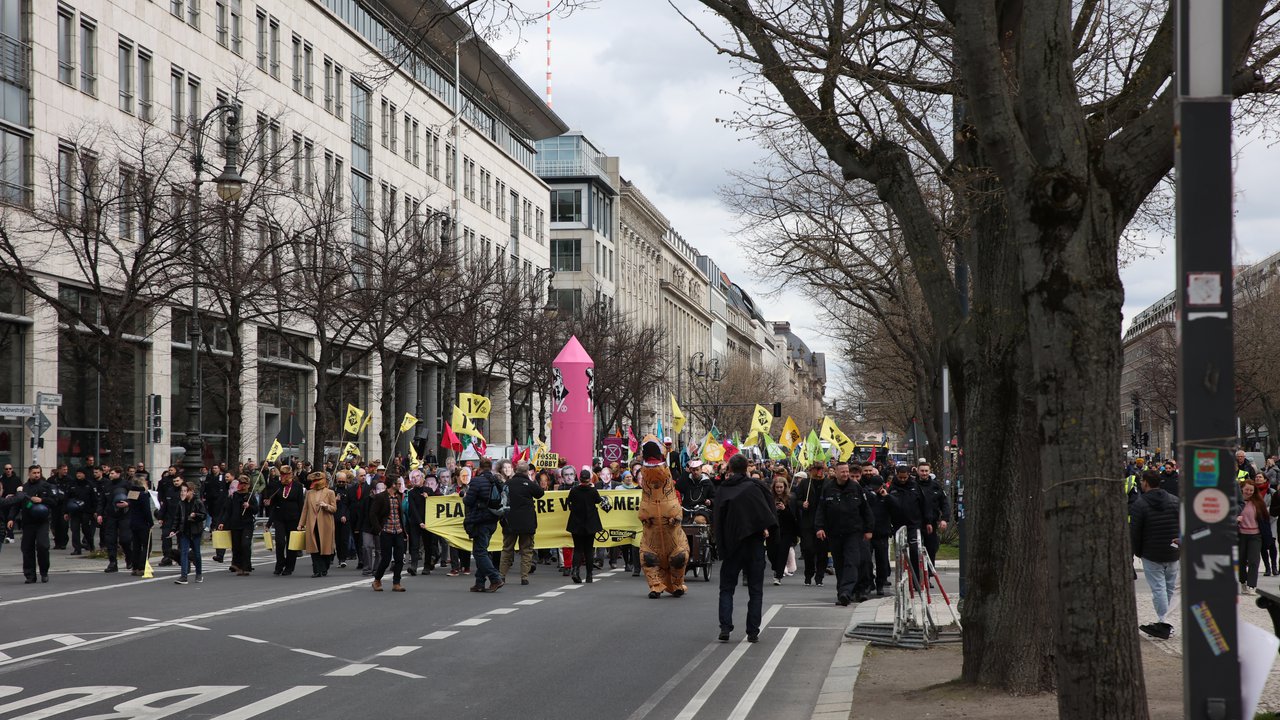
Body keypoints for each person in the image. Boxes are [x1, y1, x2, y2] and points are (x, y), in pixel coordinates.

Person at [713, 454, 777, 643]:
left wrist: (721, 546)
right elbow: (768, 513)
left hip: (732, 545)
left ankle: (725, 627)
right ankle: (752, 631)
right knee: (755, 589)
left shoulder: (724, 490)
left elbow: (718, 520)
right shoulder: (756, 488)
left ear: (730, 469)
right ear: (747, 468)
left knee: (727, 588)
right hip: (754, 543)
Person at [637, 436, 690, 598]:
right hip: (652, 541)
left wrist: (675, 518)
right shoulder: (645, 483)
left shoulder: (669, 480)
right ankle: (655, 586)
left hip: (673, 540)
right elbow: (642, 513)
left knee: (679, 557)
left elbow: (677, 512)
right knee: (648, 558)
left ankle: (677, 584)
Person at [815, 462, 874, 606]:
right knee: (839, 563)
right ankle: (842, 593)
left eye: (847, 471)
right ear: (835, 473)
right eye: (842, 472)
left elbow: (865, 510)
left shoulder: (856, 487)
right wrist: (819, 527)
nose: (846, 474)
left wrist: (869, 529)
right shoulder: (828, 488)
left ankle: (846, 591)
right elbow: (821, 509)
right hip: (834, 532)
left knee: (851, 562)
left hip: (853, 532)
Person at [1130, 470, 1179, 639]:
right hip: (1172, 551)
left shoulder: (1140, 504)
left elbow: (1135, 532)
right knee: (1169, 587)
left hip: (1151, 552)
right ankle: (1165, 620)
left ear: (1145, 482)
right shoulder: (1175, 501)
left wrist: (1137, 551)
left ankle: (1164, 622)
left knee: (1158, 588)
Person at [3, 465, 54, 583]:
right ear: (29, 474)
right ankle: (30, 575)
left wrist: (42, 500)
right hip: (28, 522)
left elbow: (54, 501)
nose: (36, 475)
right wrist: (11, 518)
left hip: (42, 522)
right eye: (34, 473)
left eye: (38, 473)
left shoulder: (46, 486)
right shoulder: (23, 488)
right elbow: (16, 504)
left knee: (43, 546)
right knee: (27, 549)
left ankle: (44, 572)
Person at [463, 458, 505, 592]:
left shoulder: (476, 481)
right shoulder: (496, 480)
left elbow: (469, 501)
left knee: (479, 552)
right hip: (493, 519)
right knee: (482, 551)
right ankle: (479, 582)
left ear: (479, 468)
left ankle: (495, 578)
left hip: (480, 520)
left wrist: (464, 496)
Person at [886, 463, 930, 588]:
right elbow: (888, 506)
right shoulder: (892, 488)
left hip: (913, 524)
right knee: (900, 554)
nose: (902, 480)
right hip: (898, 525)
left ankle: (917, 580)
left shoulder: (915, 487)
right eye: (900, 478)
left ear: (908, 475)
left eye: (905, 477)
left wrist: (927, 521)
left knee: (915, 551)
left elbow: (924, 505)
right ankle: (902, 580)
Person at [500, 460, 544, 585]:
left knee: (507, 549)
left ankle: (502, 575)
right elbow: (540, 493)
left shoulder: (508, 483)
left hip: (510, 522)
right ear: (526, 472)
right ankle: (524, 577)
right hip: (527, 522)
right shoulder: (529, 484)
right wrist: (530, 480)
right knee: (526, 550)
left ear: (515, 470)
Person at [566, 468, 610, 583]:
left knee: (578, 549)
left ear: (579, 479)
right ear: (589, 479)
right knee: (589, 550)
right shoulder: (593, 491)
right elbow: (599, 501)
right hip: (590, 523)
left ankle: (575, 570)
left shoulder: (574, 490)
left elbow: (569, 503)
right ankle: (589, 575)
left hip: (576, 523)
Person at [859, 464, 894, 596]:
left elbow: (896, 509)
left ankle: (880, 583)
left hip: (881, 532)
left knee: (882, 561)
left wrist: (887, 497)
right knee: (866, 561)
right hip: (867, 532)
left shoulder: (886, 496)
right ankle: (869, 582)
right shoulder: (866, 494)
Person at [792, 465, 828, 586]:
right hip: (808, 521)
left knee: (822, 551)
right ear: (811, 471)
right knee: (808, 549)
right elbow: (796, 499)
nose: (818, 472)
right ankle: (808, 573)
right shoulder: (805, 483)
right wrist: (802, 504)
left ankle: (820, 576)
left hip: (823, 522)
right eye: (816, 469)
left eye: (820, 469)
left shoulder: (828, 483)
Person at [369, 476, 407, 591]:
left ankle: (396, 583)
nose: (400, 485)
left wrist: (404, 531)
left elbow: (400, 515)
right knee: (386, 559)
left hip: (398, 531)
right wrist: (379, 530)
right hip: (386, 531)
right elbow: (373, 514)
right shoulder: (381, 497)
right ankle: (377, 580)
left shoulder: (398, 497)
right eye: (398, 483)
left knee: (399, 558)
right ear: (392, 484)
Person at [266, 466, 305, 576]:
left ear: (291, 474)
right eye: (283, 474)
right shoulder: (277, 486)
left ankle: (289, 566)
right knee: (280, 542)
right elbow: (273, 505)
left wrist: (302, 522)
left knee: (291, 544)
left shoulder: (298, 486)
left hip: (293, 518)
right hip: (279, 518)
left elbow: (301, 504)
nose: (285, 477)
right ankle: (279, 564)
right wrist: (269, 522)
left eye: (287, 474)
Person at [218, 475, 259, 576]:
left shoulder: (250, 496)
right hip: (235, 524)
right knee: (236, 546)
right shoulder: (233, 496)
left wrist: (249, 506)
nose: (242, 486)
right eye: (241, 483)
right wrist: (222, 522)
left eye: (245, 484)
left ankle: (246, 566)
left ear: (248, 485)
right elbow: (227, 511)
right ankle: (237, 564)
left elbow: (256, 510)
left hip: (247, 524)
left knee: (245, 545)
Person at [299, 471, 338, 578]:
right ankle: (317, 570)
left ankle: (325, 567)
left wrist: (326, 506)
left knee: (324, 547)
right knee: (314, 547)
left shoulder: (330, 492)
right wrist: (301, 523)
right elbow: (305, 509)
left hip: (325, 524)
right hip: (312, 523)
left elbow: (334, 508)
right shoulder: (309, 493)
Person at [1238, 476, 1272, 596]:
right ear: (1242, 489)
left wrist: (1268, 538)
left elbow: (1265, 521)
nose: (1249, 492)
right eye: (1246, 490)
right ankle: (1243, 582)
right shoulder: (1236, 503)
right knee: (1241, 561)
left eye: (1251, 490)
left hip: (1255, 536)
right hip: (1241, 535)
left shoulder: (1258, 503)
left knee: (1254, 561)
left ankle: (1252, 585)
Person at [97, 468, 132, 573]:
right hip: (111, 516)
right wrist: (99, 514)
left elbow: (135, 497)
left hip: (125, 515)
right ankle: (112, 562)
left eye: (112, 473)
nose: (110, 475)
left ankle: (129, 558)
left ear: (118, 473)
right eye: (110, 473)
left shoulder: (127, 484)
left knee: (125, 539)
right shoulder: (107, 486)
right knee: (110, 540)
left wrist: (128, 503)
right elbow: (101, 501)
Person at [915, 461, 949, 563]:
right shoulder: (912, 485)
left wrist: (944, 519)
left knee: (931, 549)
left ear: (930, 471)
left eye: (926, 471)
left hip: (932, 522)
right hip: (916, 523)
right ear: (917, 471)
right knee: (915, 551)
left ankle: (929, 570)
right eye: (922, 471)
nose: (924, 473)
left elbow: (944, 503)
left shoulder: (936, 486)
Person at [766, 474, 798, 585]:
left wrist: (784, 509)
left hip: (786, 530)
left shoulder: (791, 498)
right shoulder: (770, 498)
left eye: (781, 487)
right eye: (777, 487)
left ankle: (778, 576)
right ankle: (776, 568)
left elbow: (793, 517)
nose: (779, 489)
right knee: (771, 552)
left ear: (785, 487)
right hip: (773, 529)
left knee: (783, 553)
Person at [174, 481, 207, 585]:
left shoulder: (197, 502)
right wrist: (173, 529)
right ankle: (184, 576)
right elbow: (177, 517)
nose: (183, 493)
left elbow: (203, 515)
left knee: (196, 553)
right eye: (182, 491)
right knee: (184, 552)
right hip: (184, 530)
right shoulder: (181, 503)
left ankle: (199, 574)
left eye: (185, 491)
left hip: (195, 531)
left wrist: (195, 515)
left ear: (191, 491)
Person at [126, 473, 156, 577]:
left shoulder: (132, 493)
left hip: (133, 522)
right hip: (143, 523)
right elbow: (146, 510)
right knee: (146, 546)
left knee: (136, 545)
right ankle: (142, 566)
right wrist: (151, 522)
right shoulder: (143, 495)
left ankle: (135, 567)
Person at [65, 467, 96, 555]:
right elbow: (66, 498)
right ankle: (77, 549)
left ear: (84, 474)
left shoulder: (89, 484)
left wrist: (94, 511)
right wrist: (66, 512)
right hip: (75, 511)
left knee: (86, 530)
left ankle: (91, 545)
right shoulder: (72, 484)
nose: (79, 475)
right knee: (74, 530)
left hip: (86, 511)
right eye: (77, 473)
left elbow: (94, 499)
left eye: (81, 473)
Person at [203, 471, 231, 563]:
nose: (226, 478)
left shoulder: (233, 486)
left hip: (230, 514)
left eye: (228, 477)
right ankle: (220, 554)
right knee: (220, 532)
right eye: (225, 477)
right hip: (220, 511)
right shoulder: (221, 485)